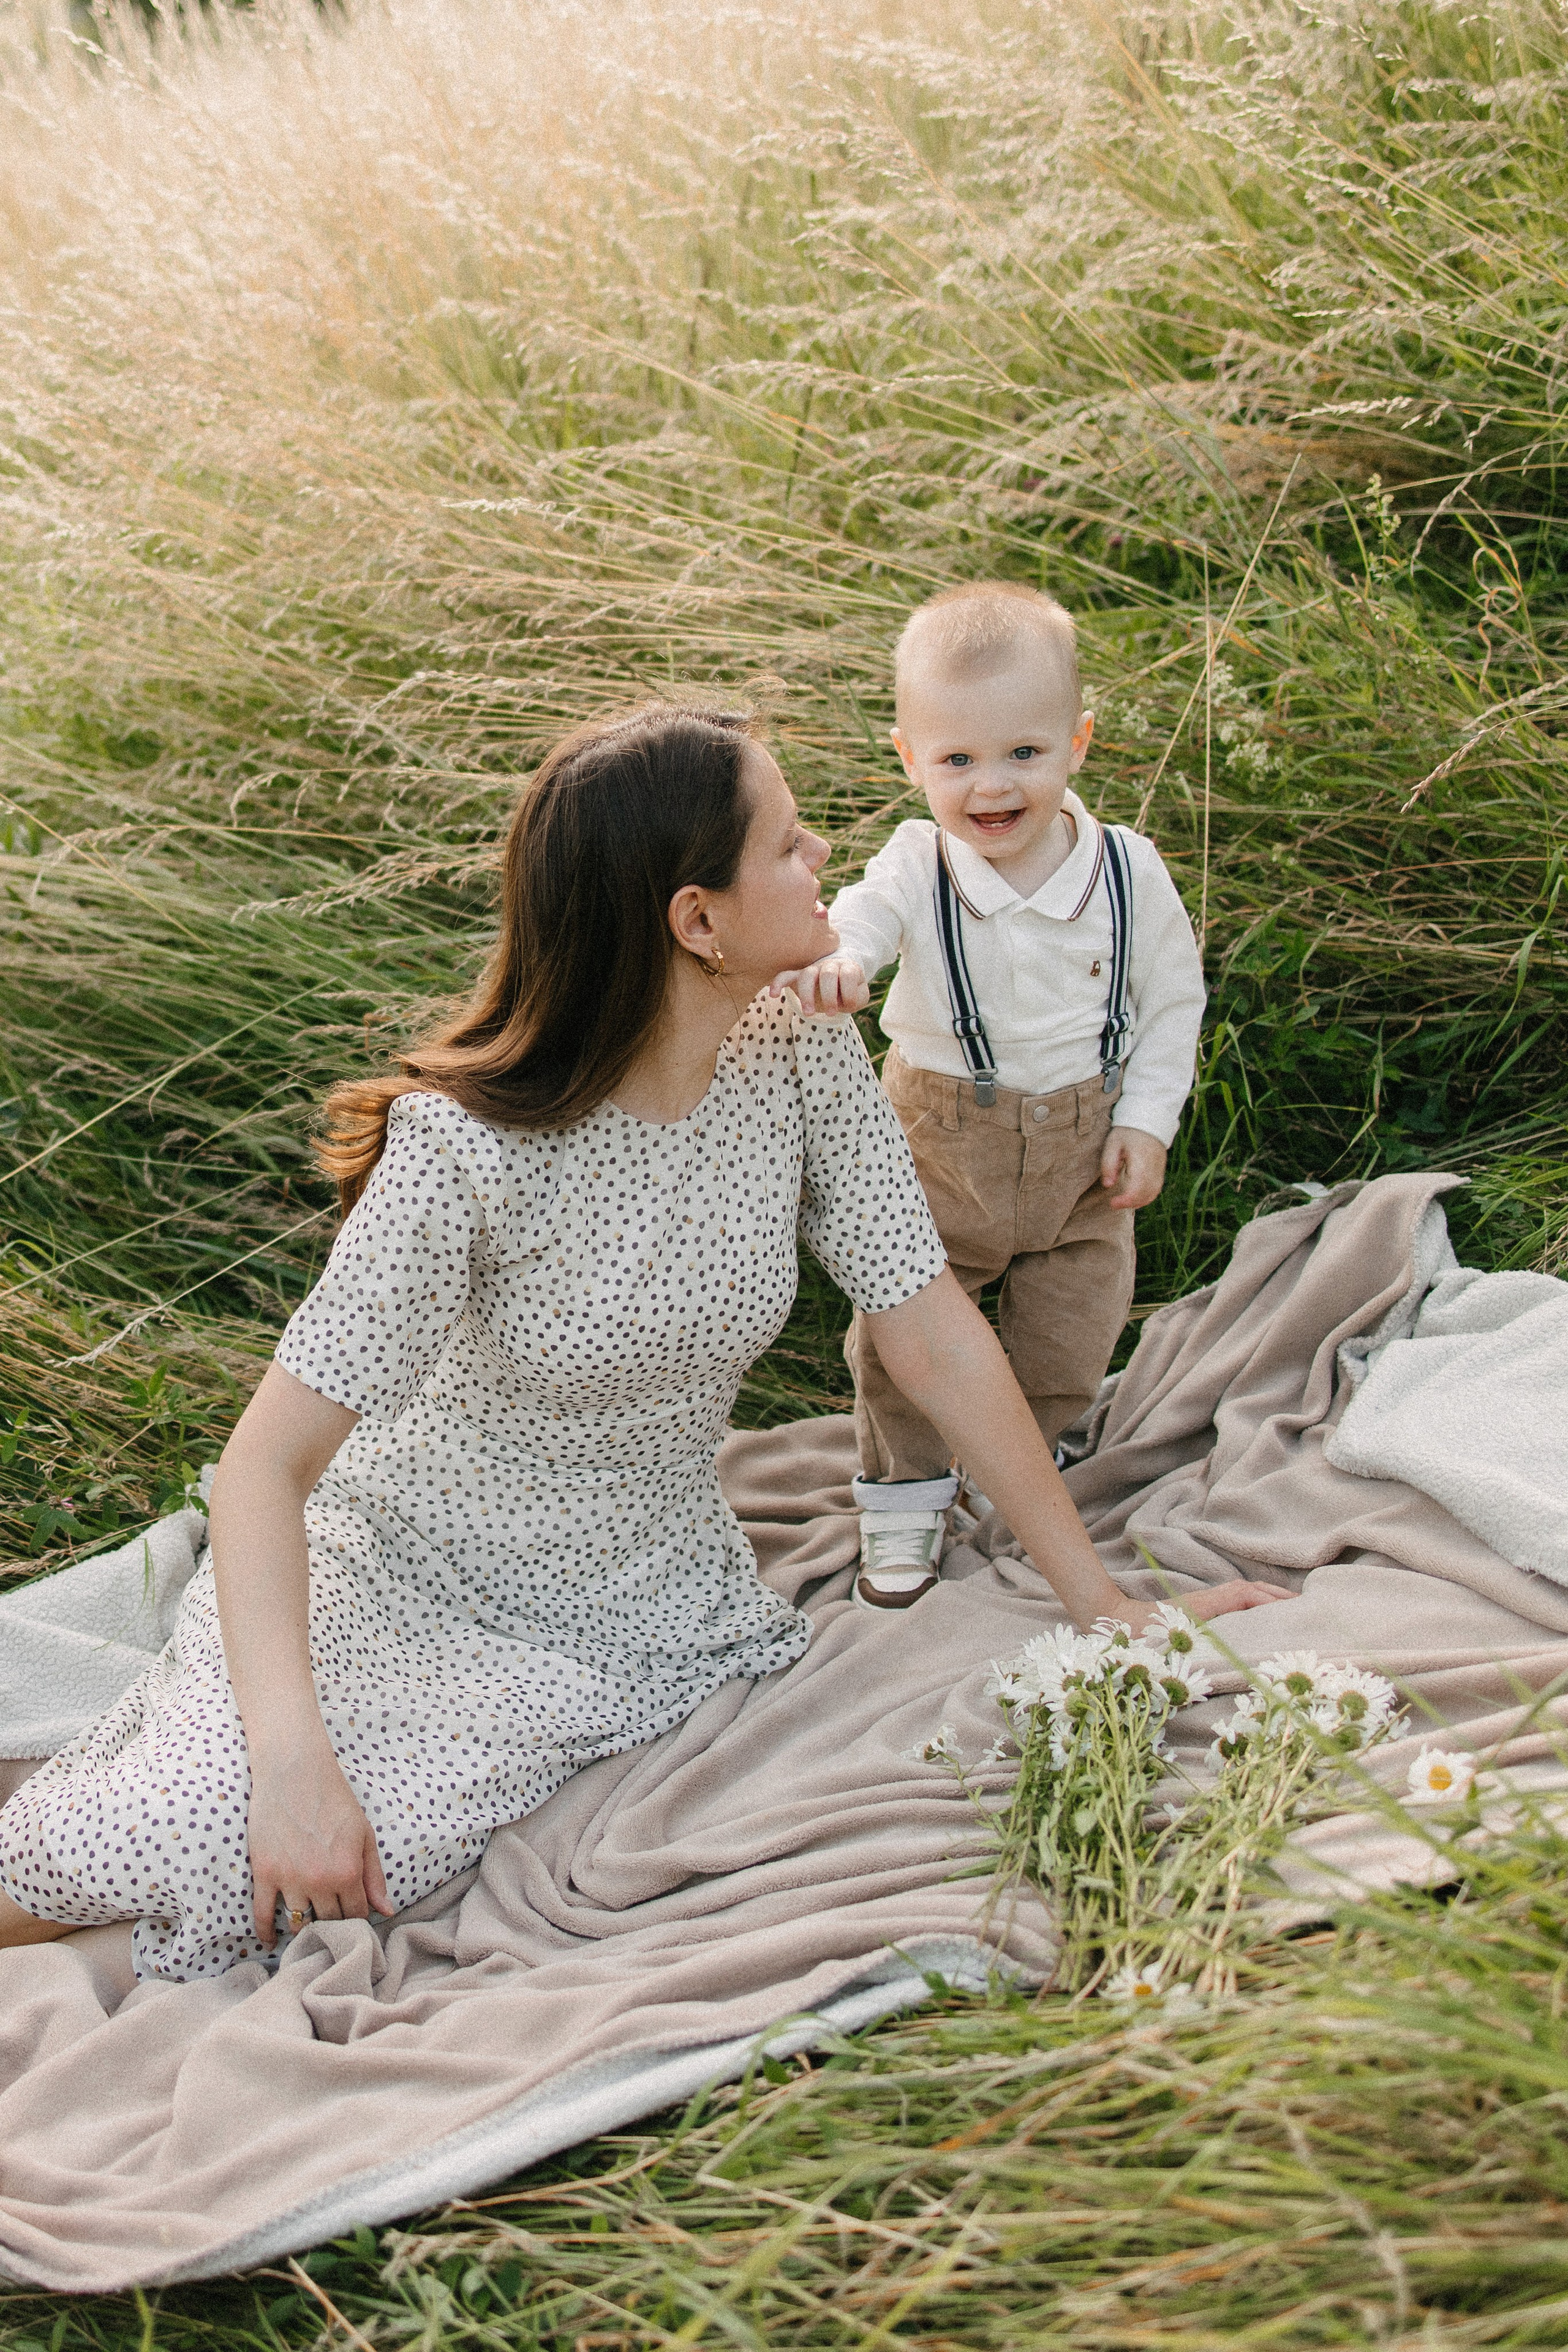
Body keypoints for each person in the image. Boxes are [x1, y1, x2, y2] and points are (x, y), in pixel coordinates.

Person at [0, 705, 1284, 1980]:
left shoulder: (797, 1046)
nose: (822, 852)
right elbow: (261, 1468)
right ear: (697, 920)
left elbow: (927, 1323)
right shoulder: (463, 1152)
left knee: (340, 1885)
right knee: (217, 1835)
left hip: (640, 1611)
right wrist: (290, 1765)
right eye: (785, 843)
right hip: (400, 1566)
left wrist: (1101, 1602)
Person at [777, 584, 1206, 1613]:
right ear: (909, 759)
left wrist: (1147, 1120)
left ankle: (1033, 1460)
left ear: (1078, 742)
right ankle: (907, 1491)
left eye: (1024, 753)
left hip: (1083, 1155)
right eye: (957, 760)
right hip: (937, 1143)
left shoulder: (1128, 872)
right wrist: (843, 963)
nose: (992, 788)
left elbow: (1173, 1000)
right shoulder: (913, 866)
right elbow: (864, 923)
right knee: (903, 1328)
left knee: (1075, 1329)